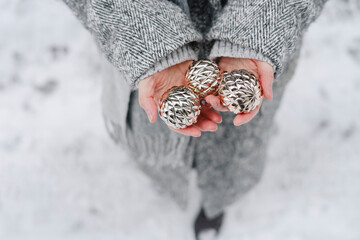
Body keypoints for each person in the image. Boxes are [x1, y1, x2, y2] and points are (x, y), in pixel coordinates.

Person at [62, 0, 328, 239]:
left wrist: (259, 28)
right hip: (144, 59)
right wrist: (147, 39)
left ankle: (215, 204)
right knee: (158, 144)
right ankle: (170, 179)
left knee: (233, 154)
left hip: (255, 50)